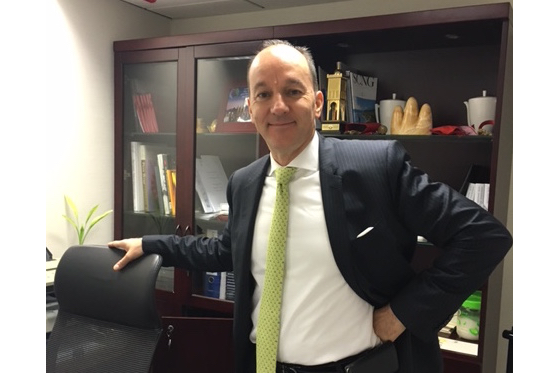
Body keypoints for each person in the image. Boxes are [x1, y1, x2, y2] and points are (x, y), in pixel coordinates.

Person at [109, 39, 512, 373]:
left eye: (292, 91)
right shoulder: (245, 182)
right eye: (263, 94)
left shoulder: (375, 168)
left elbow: (483, 236)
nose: (278, 106)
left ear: (318, 103)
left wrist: (403, 314)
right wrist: (149, 245)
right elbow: (222, 251)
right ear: (250, 109)